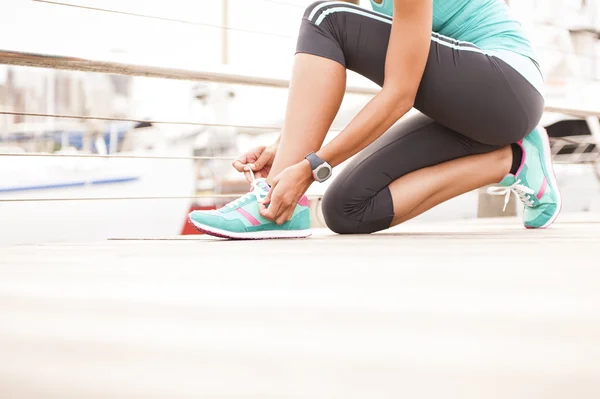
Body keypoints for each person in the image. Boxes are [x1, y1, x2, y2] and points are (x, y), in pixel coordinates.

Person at [189, 0, 561, 239]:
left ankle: (274, 207)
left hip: (505, 84)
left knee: (324, 17)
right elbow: (323, 79)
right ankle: (516, 159)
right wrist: (285, 148)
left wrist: (309, 167)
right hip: (472, 111)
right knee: (346, 211)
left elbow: (400, 94)